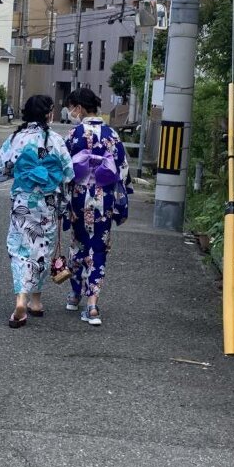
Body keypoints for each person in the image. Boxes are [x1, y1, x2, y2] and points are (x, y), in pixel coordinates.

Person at [0, 94, 74, 328]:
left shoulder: (16, 137)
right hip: (47, 203)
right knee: (42, 249)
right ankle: (36, 302)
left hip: (23, 199)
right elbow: (68, 173)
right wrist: (64, 204)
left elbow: (4, 163)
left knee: (19, 248)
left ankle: (21, 298)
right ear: (48, 114)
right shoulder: (56, 139)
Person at [64, 86, 130, 326]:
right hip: (103, 199)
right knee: (98, 248)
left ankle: (74, 295)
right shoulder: (112, 134)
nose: (71, 111)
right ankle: (92, 305)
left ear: (79, 108)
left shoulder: (74, 134)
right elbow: (122, 169)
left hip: (79, 197)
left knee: (78, 243)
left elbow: (65, 169)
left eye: (72, 107)